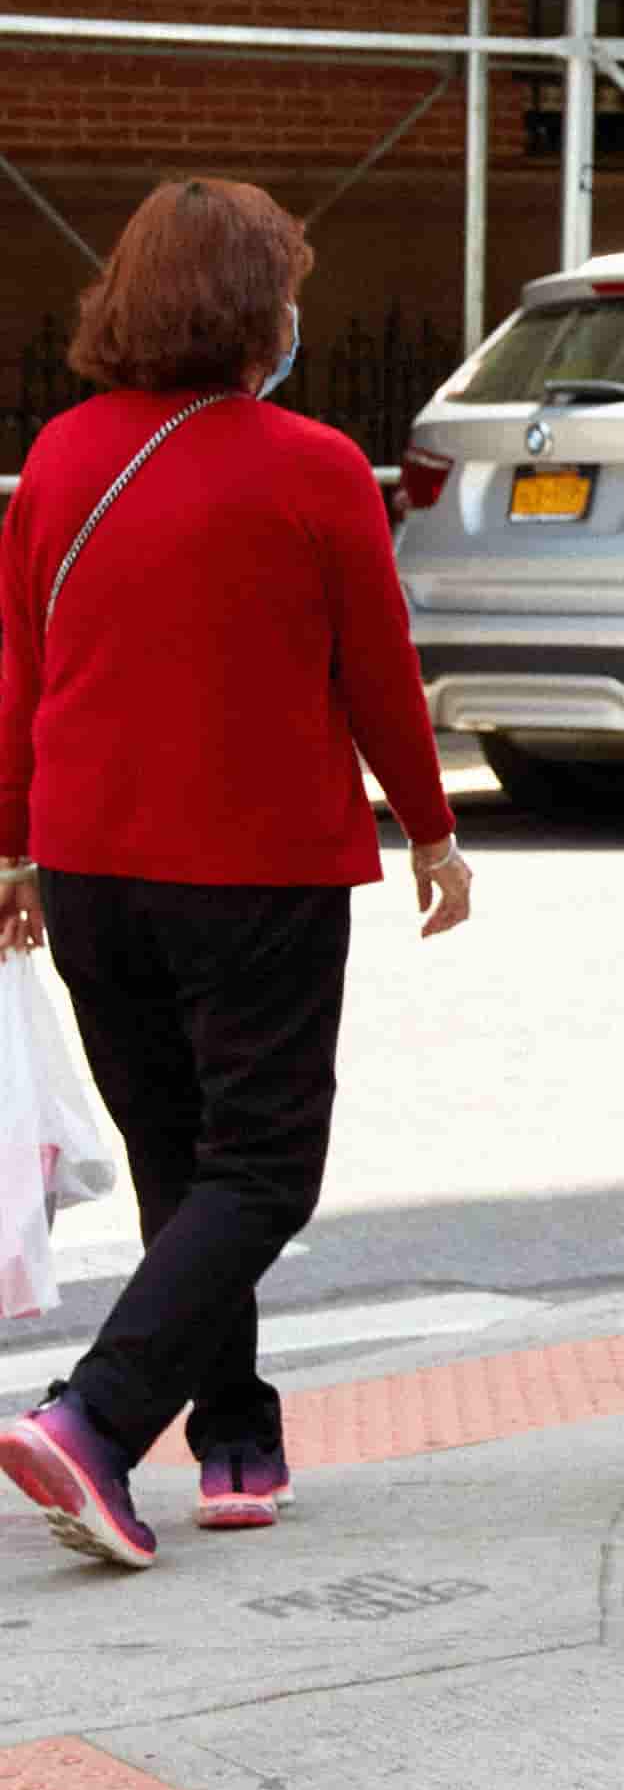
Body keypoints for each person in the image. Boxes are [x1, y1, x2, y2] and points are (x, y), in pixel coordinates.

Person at [0, 178, 471, 1573]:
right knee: (262, 1167)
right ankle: (95, 1419)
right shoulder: (316, 465)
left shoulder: (61, 459)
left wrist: (13, 844)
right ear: (257, 311)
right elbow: (379, 673)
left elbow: (21, 671)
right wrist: (433, 829)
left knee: (178, 1156)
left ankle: (237, 1435)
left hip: (89, 865)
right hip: (254, 868)